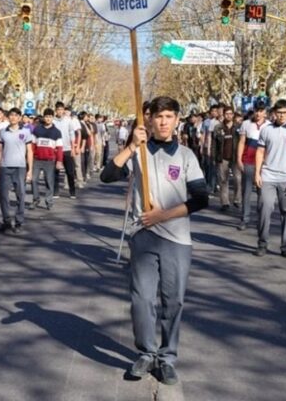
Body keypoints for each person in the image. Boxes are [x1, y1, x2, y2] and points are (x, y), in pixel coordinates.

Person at [100, 96, 208, 385]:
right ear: (149, 119)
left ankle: (167, 357)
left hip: (177, 239)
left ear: (176, 120)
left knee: (173, 301)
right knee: (142, 299)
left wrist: (163, 215)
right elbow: (107, 175)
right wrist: (131, 146)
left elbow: (200, 199)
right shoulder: (139, 152)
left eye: (169, 116)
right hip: (143, 236)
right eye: (158, 116)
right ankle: (146, 352)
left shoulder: (186, 156)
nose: (163, 122)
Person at [254, 100, 286, 258]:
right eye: (279, 112)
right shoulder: (266, 130)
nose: (281, 115)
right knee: (264, 209)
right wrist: (257, 172)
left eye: (284, 112)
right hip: (268, 176)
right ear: (274, 113)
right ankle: (262, 243)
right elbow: (260, 152)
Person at [0, 108, 34, 234]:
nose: (13, 117)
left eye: (16, 115)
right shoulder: (2, 132)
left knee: (21, 195)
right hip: (5, 166)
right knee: (3, 196)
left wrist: (30, 170)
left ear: (19, 118)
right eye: (11, 115)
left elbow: (29, 151)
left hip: (20, 167)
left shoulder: (26, 132)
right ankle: (6, 221)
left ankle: (19, 221)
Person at [236, 104, 268, 231]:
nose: (258, 114)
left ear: (265, 112)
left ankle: (260, 220)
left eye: (261, 111)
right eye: (256, 111)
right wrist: (239, 159)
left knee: (263, 193)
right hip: (248, 161)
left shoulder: (270, 125)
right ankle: (245, 218)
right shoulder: (246, 124)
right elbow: (242, 142)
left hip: (264, 165)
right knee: (246, 192)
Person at [31, 108, 63, 210]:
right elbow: (32, 145)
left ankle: (49, 201)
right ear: (43, 117)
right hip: (37, 159)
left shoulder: (57, 132)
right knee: (34, 180)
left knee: (49, 181)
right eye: (46, 116)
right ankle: (36, 199)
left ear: (52, 118)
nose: (48, 119)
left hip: (50, 161)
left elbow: (59, 148)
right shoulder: (37, 129)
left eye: (50, 117)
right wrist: (30, 158)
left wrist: (59, 161)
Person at [213, 106, 240, 211]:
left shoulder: (238, 127)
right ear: (223, 115)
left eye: (230, 113)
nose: (229, 115)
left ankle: (237, 200)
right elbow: (214, 144)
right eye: (226, 114)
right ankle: (225, 203)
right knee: (223, 180)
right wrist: (214, 156)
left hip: (235, 157)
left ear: (233, 115)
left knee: (238, 179)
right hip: (222, 157)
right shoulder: (218, 128)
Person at [53, 102, 79, 199]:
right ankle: (55, 192)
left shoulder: (68, 120)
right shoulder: (53, 121)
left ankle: (72, 191)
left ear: (64, 110)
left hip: (67, 148)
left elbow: (72, 134)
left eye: (61, 109)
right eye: (58, 109)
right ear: (56, 110)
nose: (60, 111)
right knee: (55, 171)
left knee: (70, 171)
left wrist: (73, 148)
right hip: (55, 149)